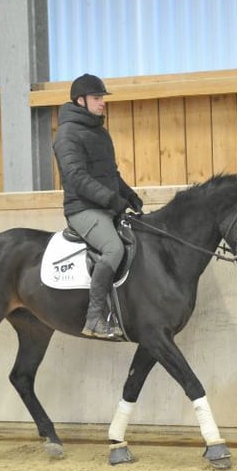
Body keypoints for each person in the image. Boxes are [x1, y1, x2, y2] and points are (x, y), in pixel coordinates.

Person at [53, 73, 143, 339]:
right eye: (97, 98)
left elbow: (111, 173)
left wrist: (129, 195)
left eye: (102, 98)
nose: (102, 102)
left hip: (105, 207)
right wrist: (111, 199)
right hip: (82, 209)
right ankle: (94, 317)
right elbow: (77, 178)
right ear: (81, 101)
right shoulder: (67, 135)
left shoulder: (99, 132)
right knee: (113, 248)